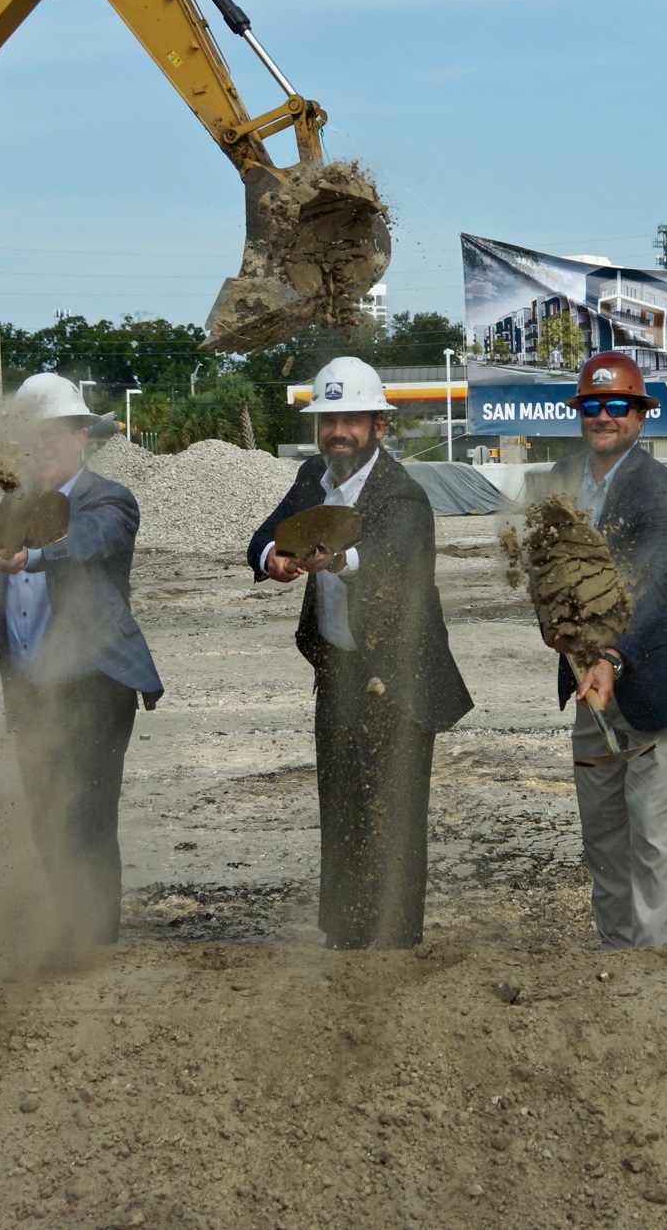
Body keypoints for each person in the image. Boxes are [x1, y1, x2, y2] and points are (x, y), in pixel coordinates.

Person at [249, 356, 472, 949]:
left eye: (351, 419)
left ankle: (396, 943)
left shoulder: (403, 495)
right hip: (340, 674)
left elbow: (394, 566)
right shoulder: (309, 482)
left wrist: (337, 560)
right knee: (342, 807)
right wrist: (271, 554)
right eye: (328, 419)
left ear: (379, 426)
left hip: (397, 677)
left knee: (394, 816)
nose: (337, 431)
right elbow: (265, 531)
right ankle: (346, 937)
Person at [0, 374, 163, 946]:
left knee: (88, 818)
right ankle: (64, 928)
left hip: (94, 683)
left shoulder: (110, 499)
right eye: (30, 435)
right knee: (47, 816)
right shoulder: (12, 505)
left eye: (52, 434)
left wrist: (35, 555)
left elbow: (91, 540)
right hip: (30, 688)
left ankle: (94, 944)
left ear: (81, 437)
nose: (40, 445)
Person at [540, 352, 667, 949]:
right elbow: (542, 567)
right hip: (589, 684)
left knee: (652, 831)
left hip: (650, 679)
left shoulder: (661, 488)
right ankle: (617, 953)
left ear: (641, 415)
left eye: (618, 405)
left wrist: (613, 658)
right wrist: (553, 624)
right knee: (603, 832)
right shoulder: (559, 479)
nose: (604, 416)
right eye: (593, 405)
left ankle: (652, 964)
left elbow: (657, 584)